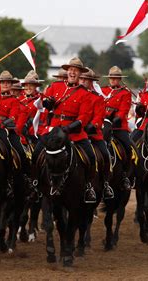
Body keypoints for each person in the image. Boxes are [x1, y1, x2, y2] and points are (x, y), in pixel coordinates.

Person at [33, 57, 96, 203]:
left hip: (73, 132)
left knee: (91, 156)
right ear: (67, 71)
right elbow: (44, 105)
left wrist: (69, 128)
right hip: (54, 129)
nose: (73, 72)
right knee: (36, 153)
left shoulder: (85, 93)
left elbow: (84, 117)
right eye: (71, 70)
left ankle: (88, 187)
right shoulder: (55, 86)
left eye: (76, 70)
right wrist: (48, 103)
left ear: (80, 74)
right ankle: (35, 184)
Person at [0, 70, 30, 196]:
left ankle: (18, 179)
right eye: (3, 82)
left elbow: (12, 117)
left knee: (20, 153)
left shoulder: (14, 101)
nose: (6, 84)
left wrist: (1, 123)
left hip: (7, 131)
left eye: (8, 83)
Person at [79, 68, 114, 199]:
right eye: (81, 79)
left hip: (93, 135)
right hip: (74, 133)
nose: (82, 82)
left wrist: (92, 126)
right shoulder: (73, 95)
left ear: (91, 82)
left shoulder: (97, 98)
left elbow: (99, 117)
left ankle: (105, 184)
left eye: (85, 80)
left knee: (105, 155)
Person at [101, 66, 133, 190]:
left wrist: (115, 119)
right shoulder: (103, 90)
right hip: (103, 124)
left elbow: (124, 110)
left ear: (120, 79)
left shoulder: (125, 93)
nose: (113, 80)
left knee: (128, 148)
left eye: (116, 78)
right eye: (111, 78)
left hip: (118, 127)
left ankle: (125, 175)